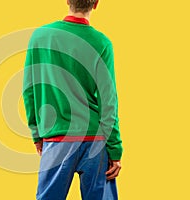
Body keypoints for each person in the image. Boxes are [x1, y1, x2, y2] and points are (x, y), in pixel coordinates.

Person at [22, 0, 123, 199]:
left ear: (67, 0)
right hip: (95, 139)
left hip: (57, 137)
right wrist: (115, 149)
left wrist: (37, 133)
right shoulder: (101, 42)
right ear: (96, 4)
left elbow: (29, 90)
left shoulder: (40, 37)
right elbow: (108, 100)